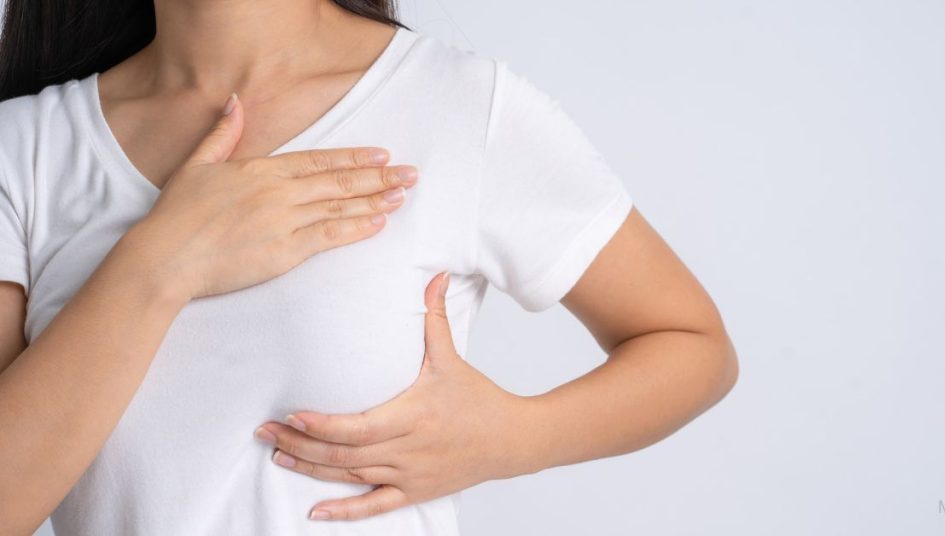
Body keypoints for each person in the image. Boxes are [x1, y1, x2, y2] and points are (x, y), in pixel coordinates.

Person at [0, 0, 739, 534]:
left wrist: (515, 439)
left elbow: (692, 346)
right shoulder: (22, 149)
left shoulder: (458, 106)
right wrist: (160, 262)